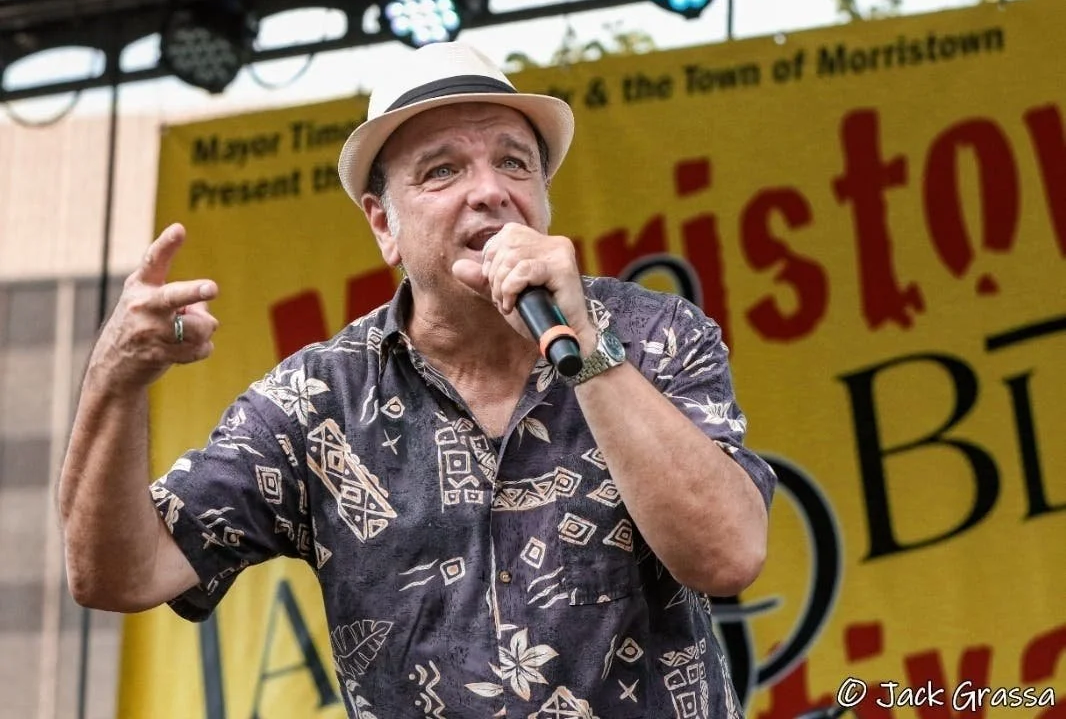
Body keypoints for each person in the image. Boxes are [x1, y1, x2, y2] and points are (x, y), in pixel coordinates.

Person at [60, 41, 776, 718]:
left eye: (515, 163)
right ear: (384, 225)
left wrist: (586, 346)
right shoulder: (319, 401)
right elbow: (120, 574)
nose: (490, 191)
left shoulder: (654, 336)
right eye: (442, 171)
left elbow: (728, 556)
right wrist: (114, 380)